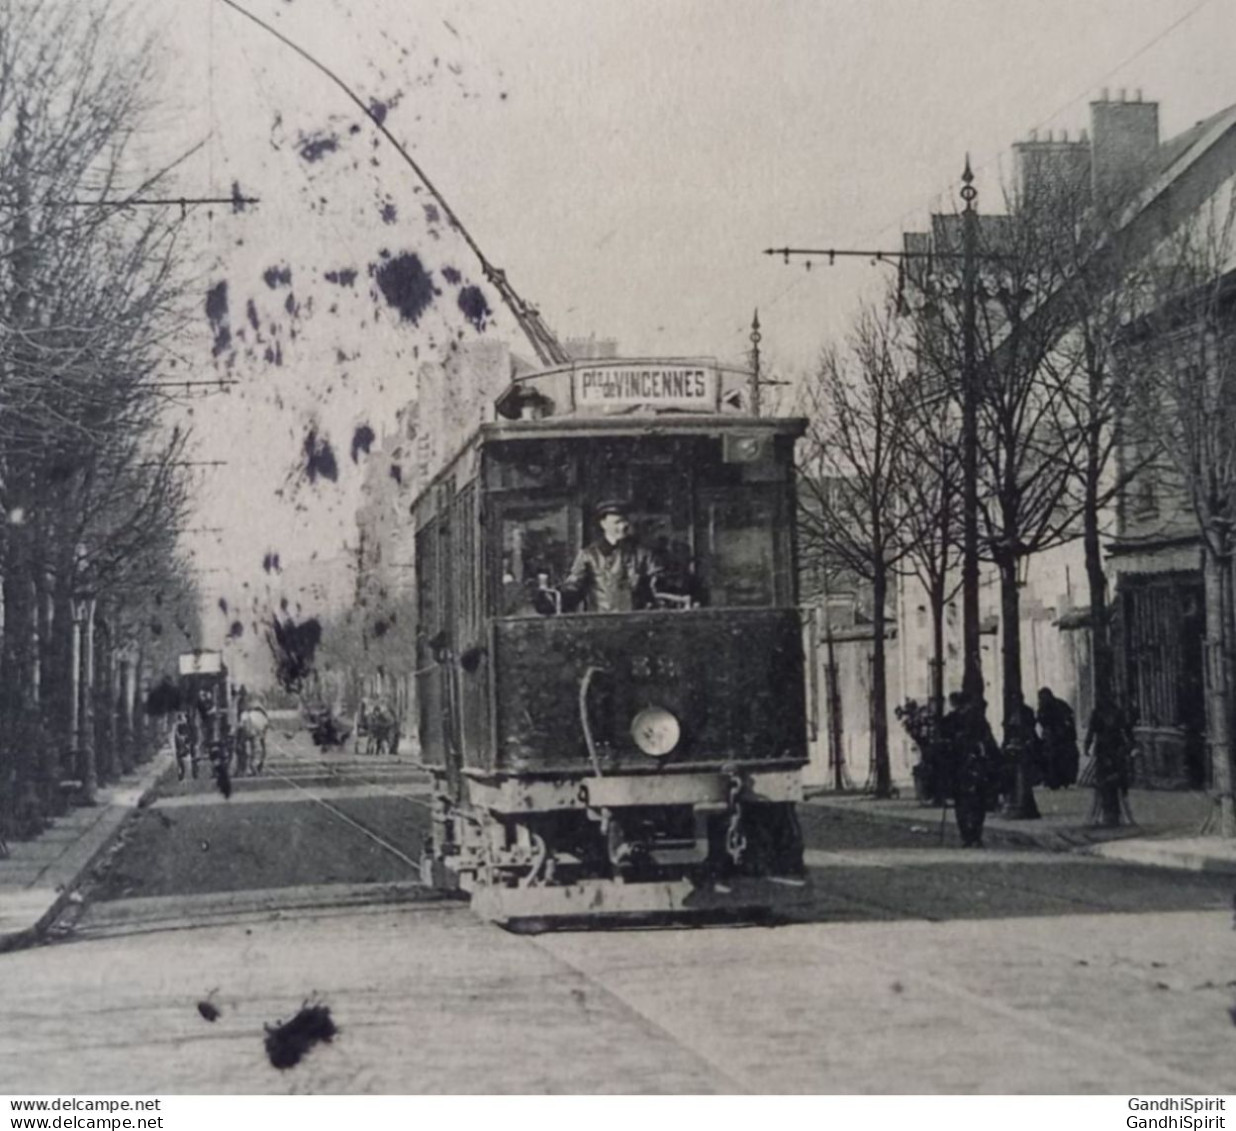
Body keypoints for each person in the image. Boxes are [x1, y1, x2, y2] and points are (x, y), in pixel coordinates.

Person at [557, 500, 666, 613]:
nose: (623, 526)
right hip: (604, 624)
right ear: (603, 524)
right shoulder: (589, 555)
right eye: (617, 522)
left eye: (625, 521)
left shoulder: (642, 554)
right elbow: (573, 589)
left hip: (637, 623)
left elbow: (658, 587)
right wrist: (553, 598)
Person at [949, 692, 999, 848]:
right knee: (976, 802)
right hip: (970, 766)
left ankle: (969, 835)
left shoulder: (954, 720)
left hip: (965, 766)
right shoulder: (968, 720)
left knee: (966, 802)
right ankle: (973, 835)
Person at [1086, 699, 1134, 827]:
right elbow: (1127, 732)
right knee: (1109, 782)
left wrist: (1087, 745)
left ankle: (1111, 815)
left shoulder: (1102, 714)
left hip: (1112, 750)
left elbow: (1091, 732)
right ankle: (1112, 814)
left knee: (1109, 782)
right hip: (1109, 750)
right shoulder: (1114, 713)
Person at [1037, 686, 1080, 789]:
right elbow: (1041, 720)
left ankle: (1064, 779)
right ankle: (1051, 779)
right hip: (1052, 738)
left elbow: (1068, 720)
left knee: (1065, 757)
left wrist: (1065, 731)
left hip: (1063, 738)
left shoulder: (1060, 705)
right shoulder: (1043, 708)